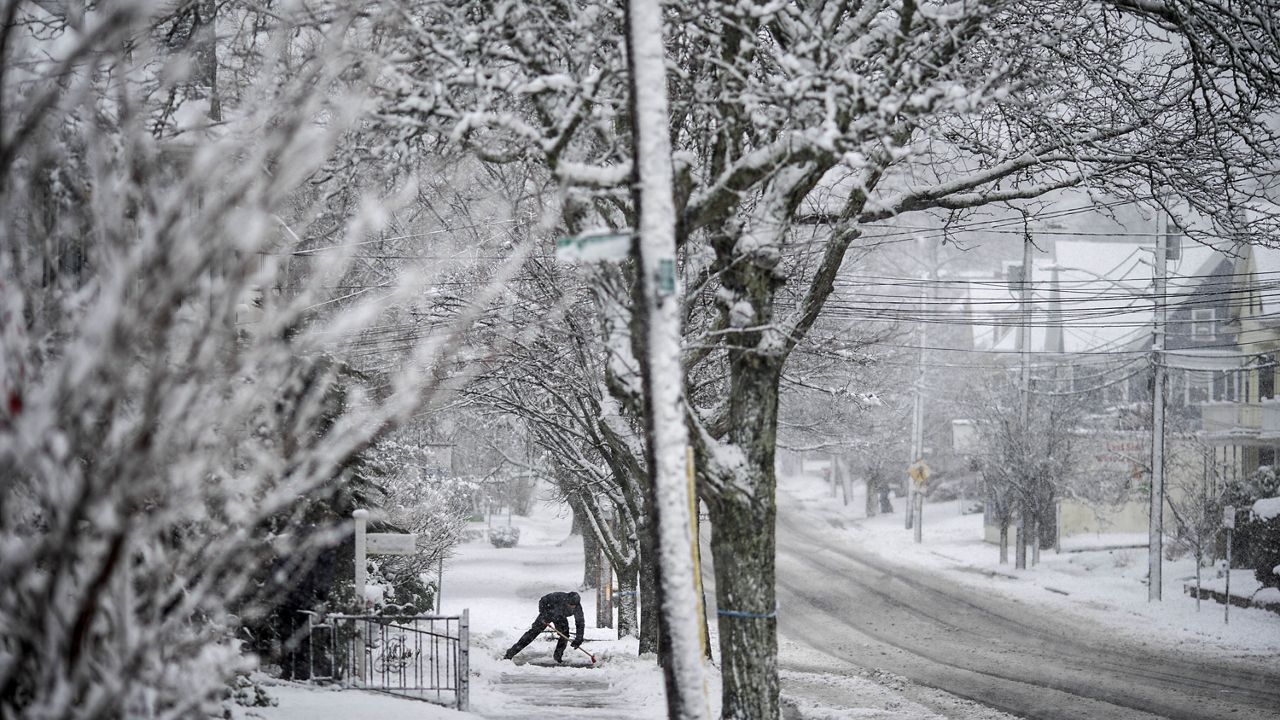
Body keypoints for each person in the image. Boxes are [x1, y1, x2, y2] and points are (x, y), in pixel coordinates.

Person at [503, 590, 585, 662]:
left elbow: (580, 622)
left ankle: (557, 657)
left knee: (564, 636)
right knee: (533, 633)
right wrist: (543, 614)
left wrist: (579, 638)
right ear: (567, 601)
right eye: (570, 604)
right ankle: (510, 653)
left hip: (560, 618)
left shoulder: (577, 607)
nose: (572, 607)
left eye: (574, 605)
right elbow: (542, 601)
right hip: (547, 613)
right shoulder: (558, 597)